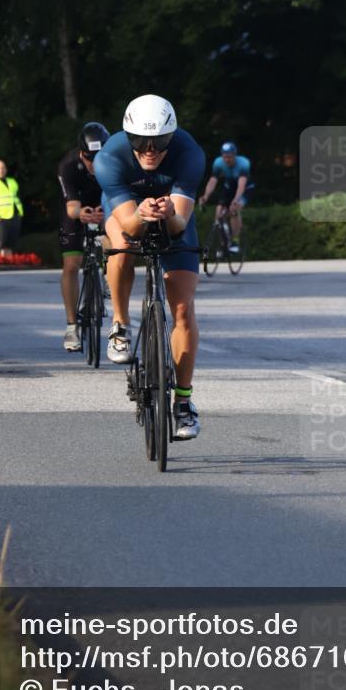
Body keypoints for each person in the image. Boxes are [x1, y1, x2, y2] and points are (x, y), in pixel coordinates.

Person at [95, 94, 205, 440]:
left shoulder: (190, 154)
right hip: (128, 211)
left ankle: (183, 402)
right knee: (122, 246)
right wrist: (141, 214)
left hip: (172, 214)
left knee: (184, 310)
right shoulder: (109, 157)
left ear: (171, 137)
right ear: (128, 138)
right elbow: (128, 225)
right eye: (140, 142)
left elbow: (178, 227)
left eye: (159, 142)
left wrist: (168, 212)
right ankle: (120, 325)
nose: (149, 149)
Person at [57, 122, 111, 351]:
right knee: (71, 264)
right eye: (89, 158)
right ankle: (72, 327)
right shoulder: (69, 165)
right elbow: (71, 208)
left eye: (98, 158)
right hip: (78, 209)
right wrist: (82, 214)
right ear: (81, 153)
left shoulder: (115, 163)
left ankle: (110, 278)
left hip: (105, 207)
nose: (93, 164)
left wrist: (105, 216)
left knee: (115, 243)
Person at [199, 141, 251, 252]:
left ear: (234, 155)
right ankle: (225, 243)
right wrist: (206, 196)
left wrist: (236, 200)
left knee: (234, 210)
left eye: (230, 157)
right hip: (230, 186)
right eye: (225, 157)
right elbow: (213, 180)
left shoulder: (243, 163)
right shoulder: (218, 162)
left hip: (245, 188)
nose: (227, 159)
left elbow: (241, 185)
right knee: (218, 215)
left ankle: (235, 241)